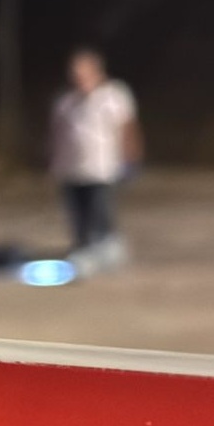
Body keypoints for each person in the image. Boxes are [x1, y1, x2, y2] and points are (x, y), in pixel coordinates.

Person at [50, 48, 142, 270]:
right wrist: (52, 161)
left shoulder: (113, 97)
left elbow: (128, 129)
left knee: (100, 213)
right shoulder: (65, 102)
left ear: (97, 73)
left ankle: (106, 251)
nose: (79, 78)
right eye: (75, 74)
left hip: (101, 169)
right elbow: (57, 134)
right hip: (71, 170)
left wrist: (131, 158)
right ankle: (82, 249)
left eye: (84, 73)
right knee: (77, 214)